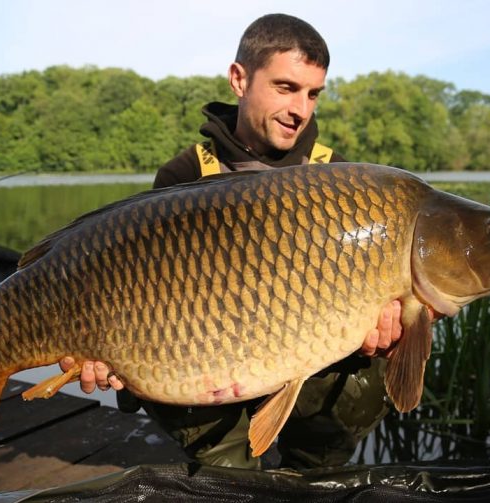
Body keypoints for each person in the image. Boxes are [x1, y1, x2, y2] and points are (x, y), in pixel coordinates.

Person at [61, 13, 403, 470]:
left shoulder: (336, 178)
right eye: (285, 87)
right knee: (229, 476)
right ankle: (228, 467)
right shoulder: (184, 176)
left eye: (313, 93)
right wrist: (103, 352)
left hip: (303, 362)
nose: (301, 109)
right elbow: (137, 298)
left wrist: (382, 331)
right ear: (239, 79)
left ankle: (314, 468)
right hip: (203, 358)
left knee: (361, 385)